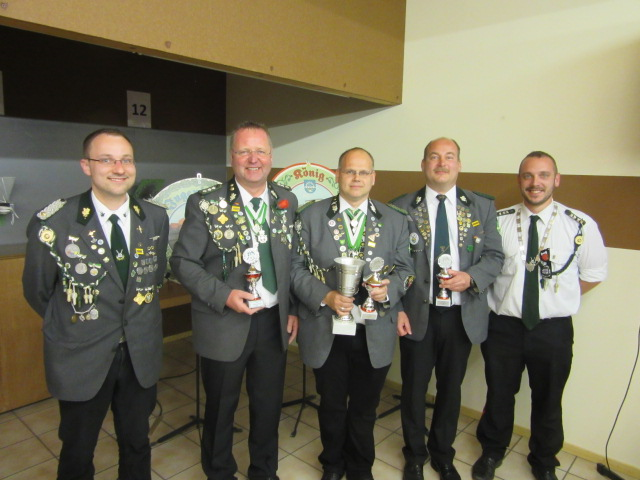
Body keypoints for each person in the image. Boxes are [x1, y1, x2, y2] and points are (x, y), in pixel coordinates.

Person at [22, 128, 169, 480]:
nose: (119, 168)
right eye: (106, 159)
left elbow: (154, 278)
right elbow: (38, 291)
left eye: (126, 160)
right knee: (78, 448)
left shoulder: (155, 217)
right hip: (81, 354)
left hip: (139, 353)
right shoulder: (55, 221)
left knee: (137, 442)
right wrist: (83, 321)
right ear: (86, 166)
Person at [170, 121, 298, 480]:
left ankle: (264, 471)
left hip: (273, 321)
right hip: (225, 322)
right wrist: (224, 294)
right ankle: (219, 472)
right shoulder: (206, 203)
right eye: (244, 151)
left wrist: (293, 310)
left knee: (268, 407)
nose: (253, 159)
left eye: (260, 151)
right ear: (233, 157)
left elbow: (293, 262)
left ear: (271, 157)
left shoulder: (287, 200)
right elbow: (182, 262)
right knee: (221, 408)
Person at [471, 151, 607, 480]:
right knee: (500, 392)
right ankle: (492, 451)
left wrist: (556, 301)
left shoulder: (580, 225)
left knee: (549, 397)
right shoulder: (498, 221)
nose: (536, 183)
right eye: (529, 176)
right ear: (520, 180)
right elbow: (484, 271)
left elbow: (593, 273)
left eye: (544, 175)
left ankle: (544, 460)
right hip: (503, 327)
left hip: (553, 330)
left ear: (556, 180)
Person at [291, 147, 415, 480]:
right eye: (350, 171)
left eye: (363, 172)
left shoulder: (395, 219)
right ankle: (332, 464)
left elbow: (407, 269)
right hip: (326, 326)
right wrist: (325, 295)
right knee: (331, 404)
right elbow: (296, 269)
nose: (356, 178)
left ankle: (360, 467)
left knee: (364, 407)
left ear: (373, 178)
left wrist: (388, 289)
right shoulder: (310, 216)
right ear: (337, 175)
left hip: (375, 329)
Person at [390, 137, 504, 480]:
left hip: (461, 315)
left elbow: (495, 256)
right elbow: (392, 262)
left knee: (450, 390)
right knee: (412, 388)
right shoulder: (400, 207)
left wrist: (471, 277)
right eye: (434, 157)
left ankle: (442, 453)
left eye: (449, 157)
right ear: (424, 164)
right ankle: (414, 454)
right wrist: (396, 308)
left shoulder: (481, 207)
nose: (442, 163)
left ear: (459, 164)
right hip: (417, 314)